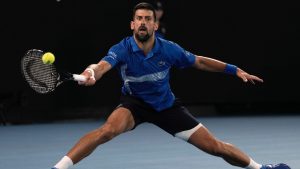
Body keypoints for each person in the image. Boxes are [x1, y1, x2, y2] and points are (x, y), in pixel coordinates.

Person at [51, 2, 291, 169]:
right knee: (107, 131)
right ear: (132, 25)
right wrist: (91, 72)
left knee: (216, 147)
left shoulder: (169, 49)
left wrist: (234, 69)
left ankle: (261, 168)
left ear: (155, 25)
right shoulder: (121, 48)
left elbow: (199, 62)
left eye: (148, 19)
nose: (143, 23)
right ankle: (58, 167)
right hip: (134, 104)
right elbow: (102, 65)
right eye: (139, 19)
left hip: (166, 106)